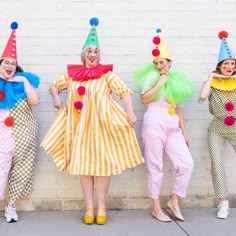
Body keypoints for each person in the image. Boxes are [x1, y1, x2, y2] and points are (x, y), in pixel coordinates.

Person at [41, 17, 144, 225]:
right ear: (83, 54)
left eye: (96, 52)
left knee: (103, 167)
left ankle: (102, 207)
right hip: (79, 127)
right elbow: (54, 86)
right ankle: (89, 207)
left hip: (102, 127)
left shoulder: (106, 75)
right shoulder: (72, 75)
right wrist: (56, 98)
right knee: (84, 166)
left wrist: (130, 113)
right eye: (89, 51)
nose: (93, 55)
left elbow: (124, 92)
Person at [133, 29, 194, 222]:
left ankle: (174, 201)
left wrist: (184, 133)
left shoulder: (177, 80)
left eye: (162, 62)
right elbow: (144, 99)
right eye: (157, 63)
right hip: (154, 123)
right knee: (155, 166)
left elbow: (179, 109)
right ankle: (156, 207)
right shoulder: (153, 78)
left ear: (169, 63)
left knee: (186, 164)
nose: (159, 65)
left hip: (173, 126)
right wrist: (159, 84)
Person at [0, 22, 40, 223]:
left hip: (23, 134)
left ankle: (11, 207)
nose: (9, 66)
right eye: (6, 62)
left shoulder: (24, 81)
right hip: (2, 136)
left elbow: (35, 101)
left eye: (13, 63)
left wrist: (23, 82)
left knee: (21, 170)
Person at [199, 30, 236, 219]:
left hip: (235, 128)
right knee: (217, 164)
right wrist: (212, 77)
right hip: (217, 128)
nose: (230, 67)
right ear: (220, 66)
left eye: (232, 64)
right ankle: (223, 203)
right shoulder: (212, 82)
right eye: (226, 64)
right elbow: (203, 97)